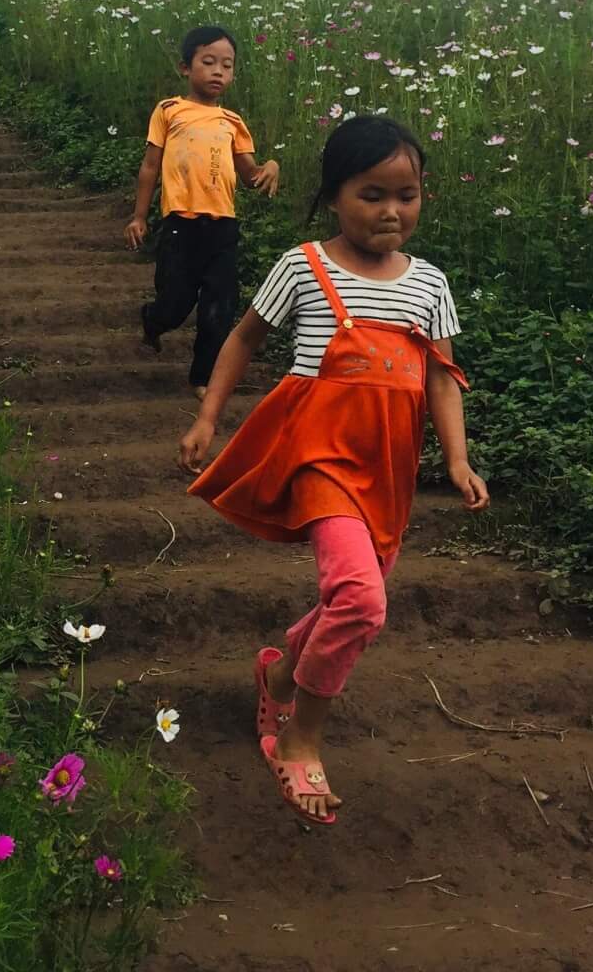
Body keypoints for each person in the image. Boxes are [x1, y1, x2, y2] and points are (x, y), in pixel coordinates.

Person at [177, 115, 489, 825]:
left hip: (389, 467)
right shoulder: (304, 266)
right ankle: (300, 739)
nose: (391, 211)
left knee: (353, 597)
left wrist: (458, 459)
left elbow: (442, 379)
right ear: (333, 196)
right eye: (371, 195)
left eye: (406, 195)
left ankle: (282, 670)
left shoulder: (429, 284)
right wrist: (207, 419)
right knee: (361, 601)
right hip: (318, 455)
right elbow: (244, 338)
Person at [124, 26, 280, 395]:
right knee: (174, 304)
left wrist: (271, 166)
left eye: (227, 65)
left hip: (223, 228)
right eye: (208, 62)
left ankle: (203, 377)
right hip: (181, 225)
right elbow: (150, 165)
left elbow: (250, 175)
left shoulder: (233, 122)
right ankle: (154, 320)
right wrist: (139, 216)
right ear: (185, 67)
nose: (218, 72)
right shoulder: (169, 110)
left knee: (220, 306)